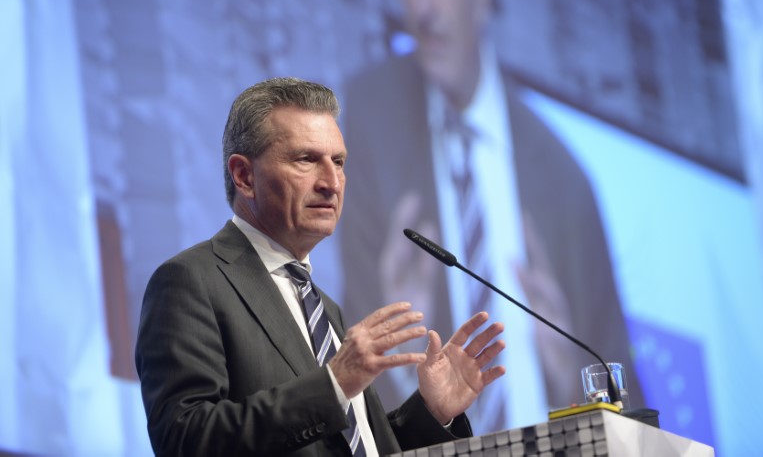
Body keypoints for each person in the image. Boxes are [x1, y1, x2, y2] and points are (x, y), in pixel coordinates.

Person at [339, 0, 640, 432]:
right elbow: (349, 400)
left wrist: (571, 378)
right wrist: (398, 360)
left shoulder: (565, 179)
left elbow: (627, 401)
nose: (421, 4)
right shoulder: (370, 126)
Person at [134, 77, 507, 456]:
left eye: (339, 162)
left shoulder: (324, 307)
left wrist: (432, 412)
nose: (332, 182)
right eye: (306, 159)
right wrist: (333, 384)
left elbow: (350, 444)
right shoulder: (191, 281)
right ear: (245, 176)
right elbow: (184, 440)